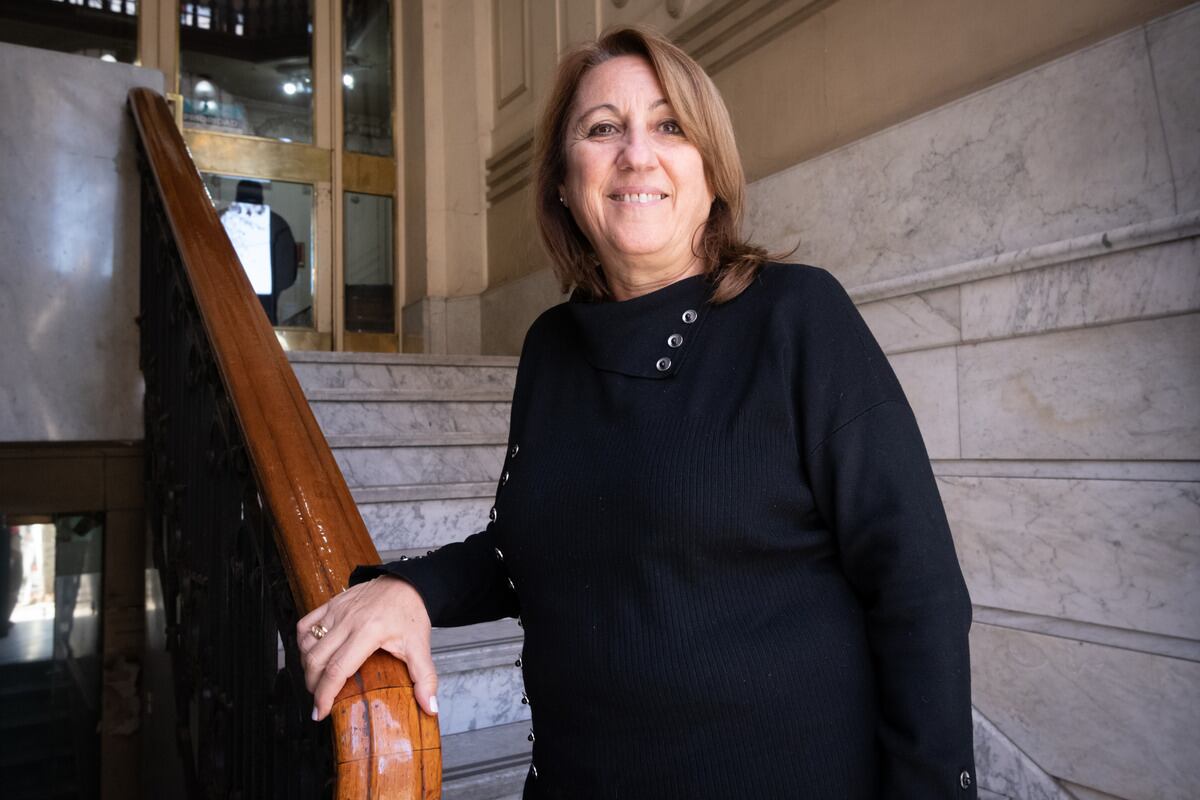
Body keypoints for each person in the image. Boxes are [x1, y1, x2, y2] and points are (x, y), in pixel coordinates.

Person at [299, 26, 977, 799]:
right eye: (602, 129)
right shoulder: (552, 346)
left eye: (670, 126)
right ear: (561, 180)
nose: (637, 154)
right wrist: (410, 589)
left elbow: (916, 587)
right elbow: (536, 544)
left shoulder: (797, 317)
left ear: (712, 169)